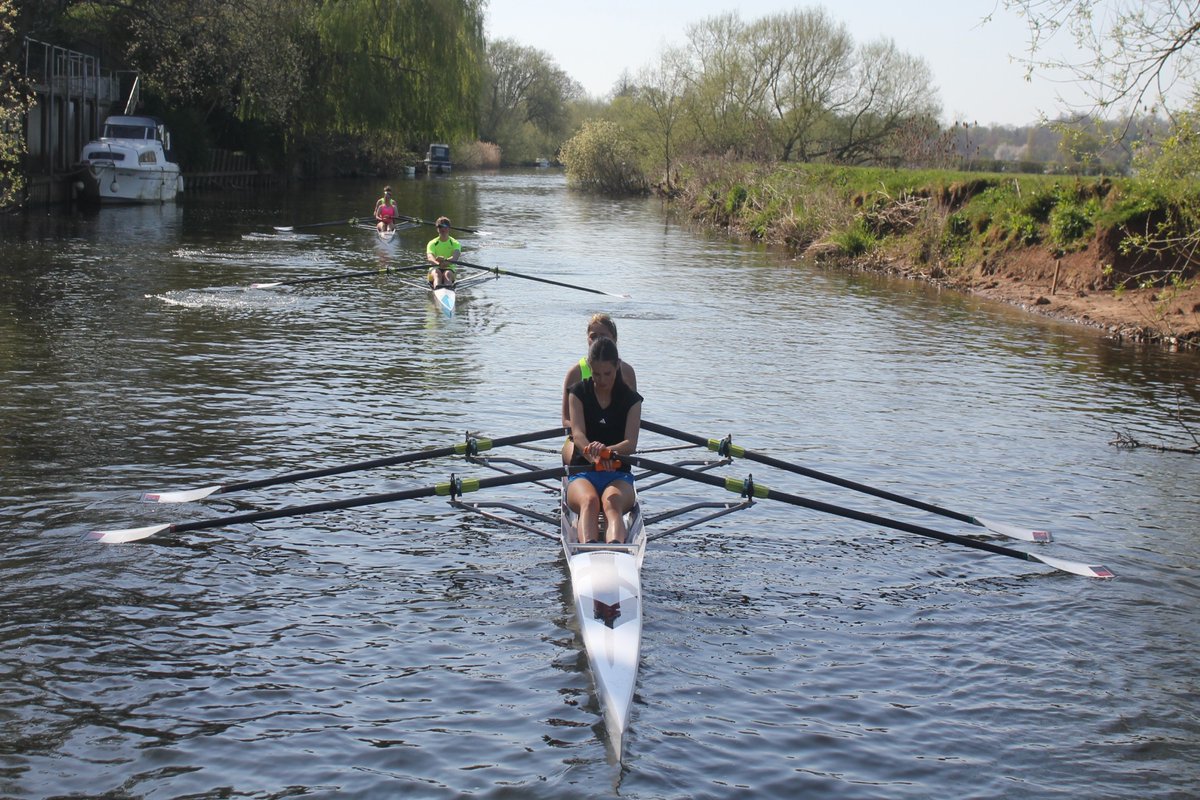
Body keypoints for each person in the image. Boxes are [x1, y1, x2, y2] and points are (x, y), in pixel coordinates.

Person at [566, 336, 643, 544]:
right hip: (583, 471)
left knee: (612, 503)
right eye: (596, 374)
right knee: (589, 501)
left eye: (607, 373)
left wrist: (607, 453)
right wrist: (596, 458)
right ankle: (588, 550)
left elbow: (630, 443)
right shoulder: (578, 393)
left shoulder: (632, 400)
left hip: (618, 473)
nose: (602, 380)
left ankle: (616, 550)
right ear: (589, 368)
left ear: (617, 366)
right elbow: (578, 435)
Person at [561, 313, 637, 462]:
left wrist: (606, 447)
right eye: (593, 336)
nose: (597, 340)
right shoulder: (575, 373)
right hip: (580, 438)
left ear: (614, 339)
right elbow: (566, 420)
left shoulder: (627, 372)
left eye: (603, 335)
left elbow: (631, 415)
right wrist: (590, 441)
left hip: (614, 439)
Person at [425, 216, 461, 289]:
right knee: (437, 274)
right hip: (435, 268)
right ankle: (438, 289)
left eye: (445, 226)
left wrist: (445, 262)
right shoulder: (432, 243)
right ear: (437, 229)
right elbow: (430, 258)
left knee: (447, 274)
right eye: (440, 226)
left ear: (449, 228)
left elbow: (455, 258)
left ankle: (447, 291)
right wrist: (438, 263)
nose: (442, 229)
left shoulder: (455, 243)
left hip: (449, 269)